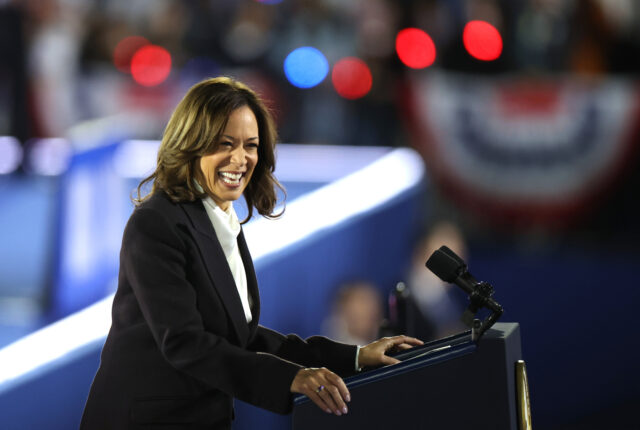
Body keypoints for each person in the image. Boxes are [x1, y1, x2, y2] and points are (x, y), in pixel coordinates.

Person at [80, 76, 422, 429]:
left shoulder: (221, 220)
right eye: (225, 143)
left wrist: (354, 356)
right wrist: (289, 377)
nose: (240, 159)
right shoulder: (156, 223)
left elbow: (244, 337)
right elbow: (184, 342)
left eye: (251, 145)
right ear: (191, 144)